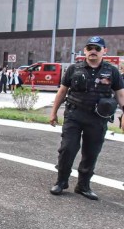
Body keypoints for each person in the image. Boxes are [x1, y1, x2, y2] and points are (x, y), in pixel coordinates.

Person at [48, 36, 124, 200]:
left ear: (104, 51)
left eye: (97, 48)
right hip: (74, 115)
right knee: (67, 149)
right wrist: (53, 112)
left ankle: (83, 186)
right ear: (85, 51)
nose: (93, 51)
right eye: (90, 48)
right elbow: (62, 91)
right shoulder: (74, 68)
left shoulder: (112, 71)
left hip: (98, 119)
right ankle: (61, 181)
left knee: (91, 152)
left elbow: (120, 95)